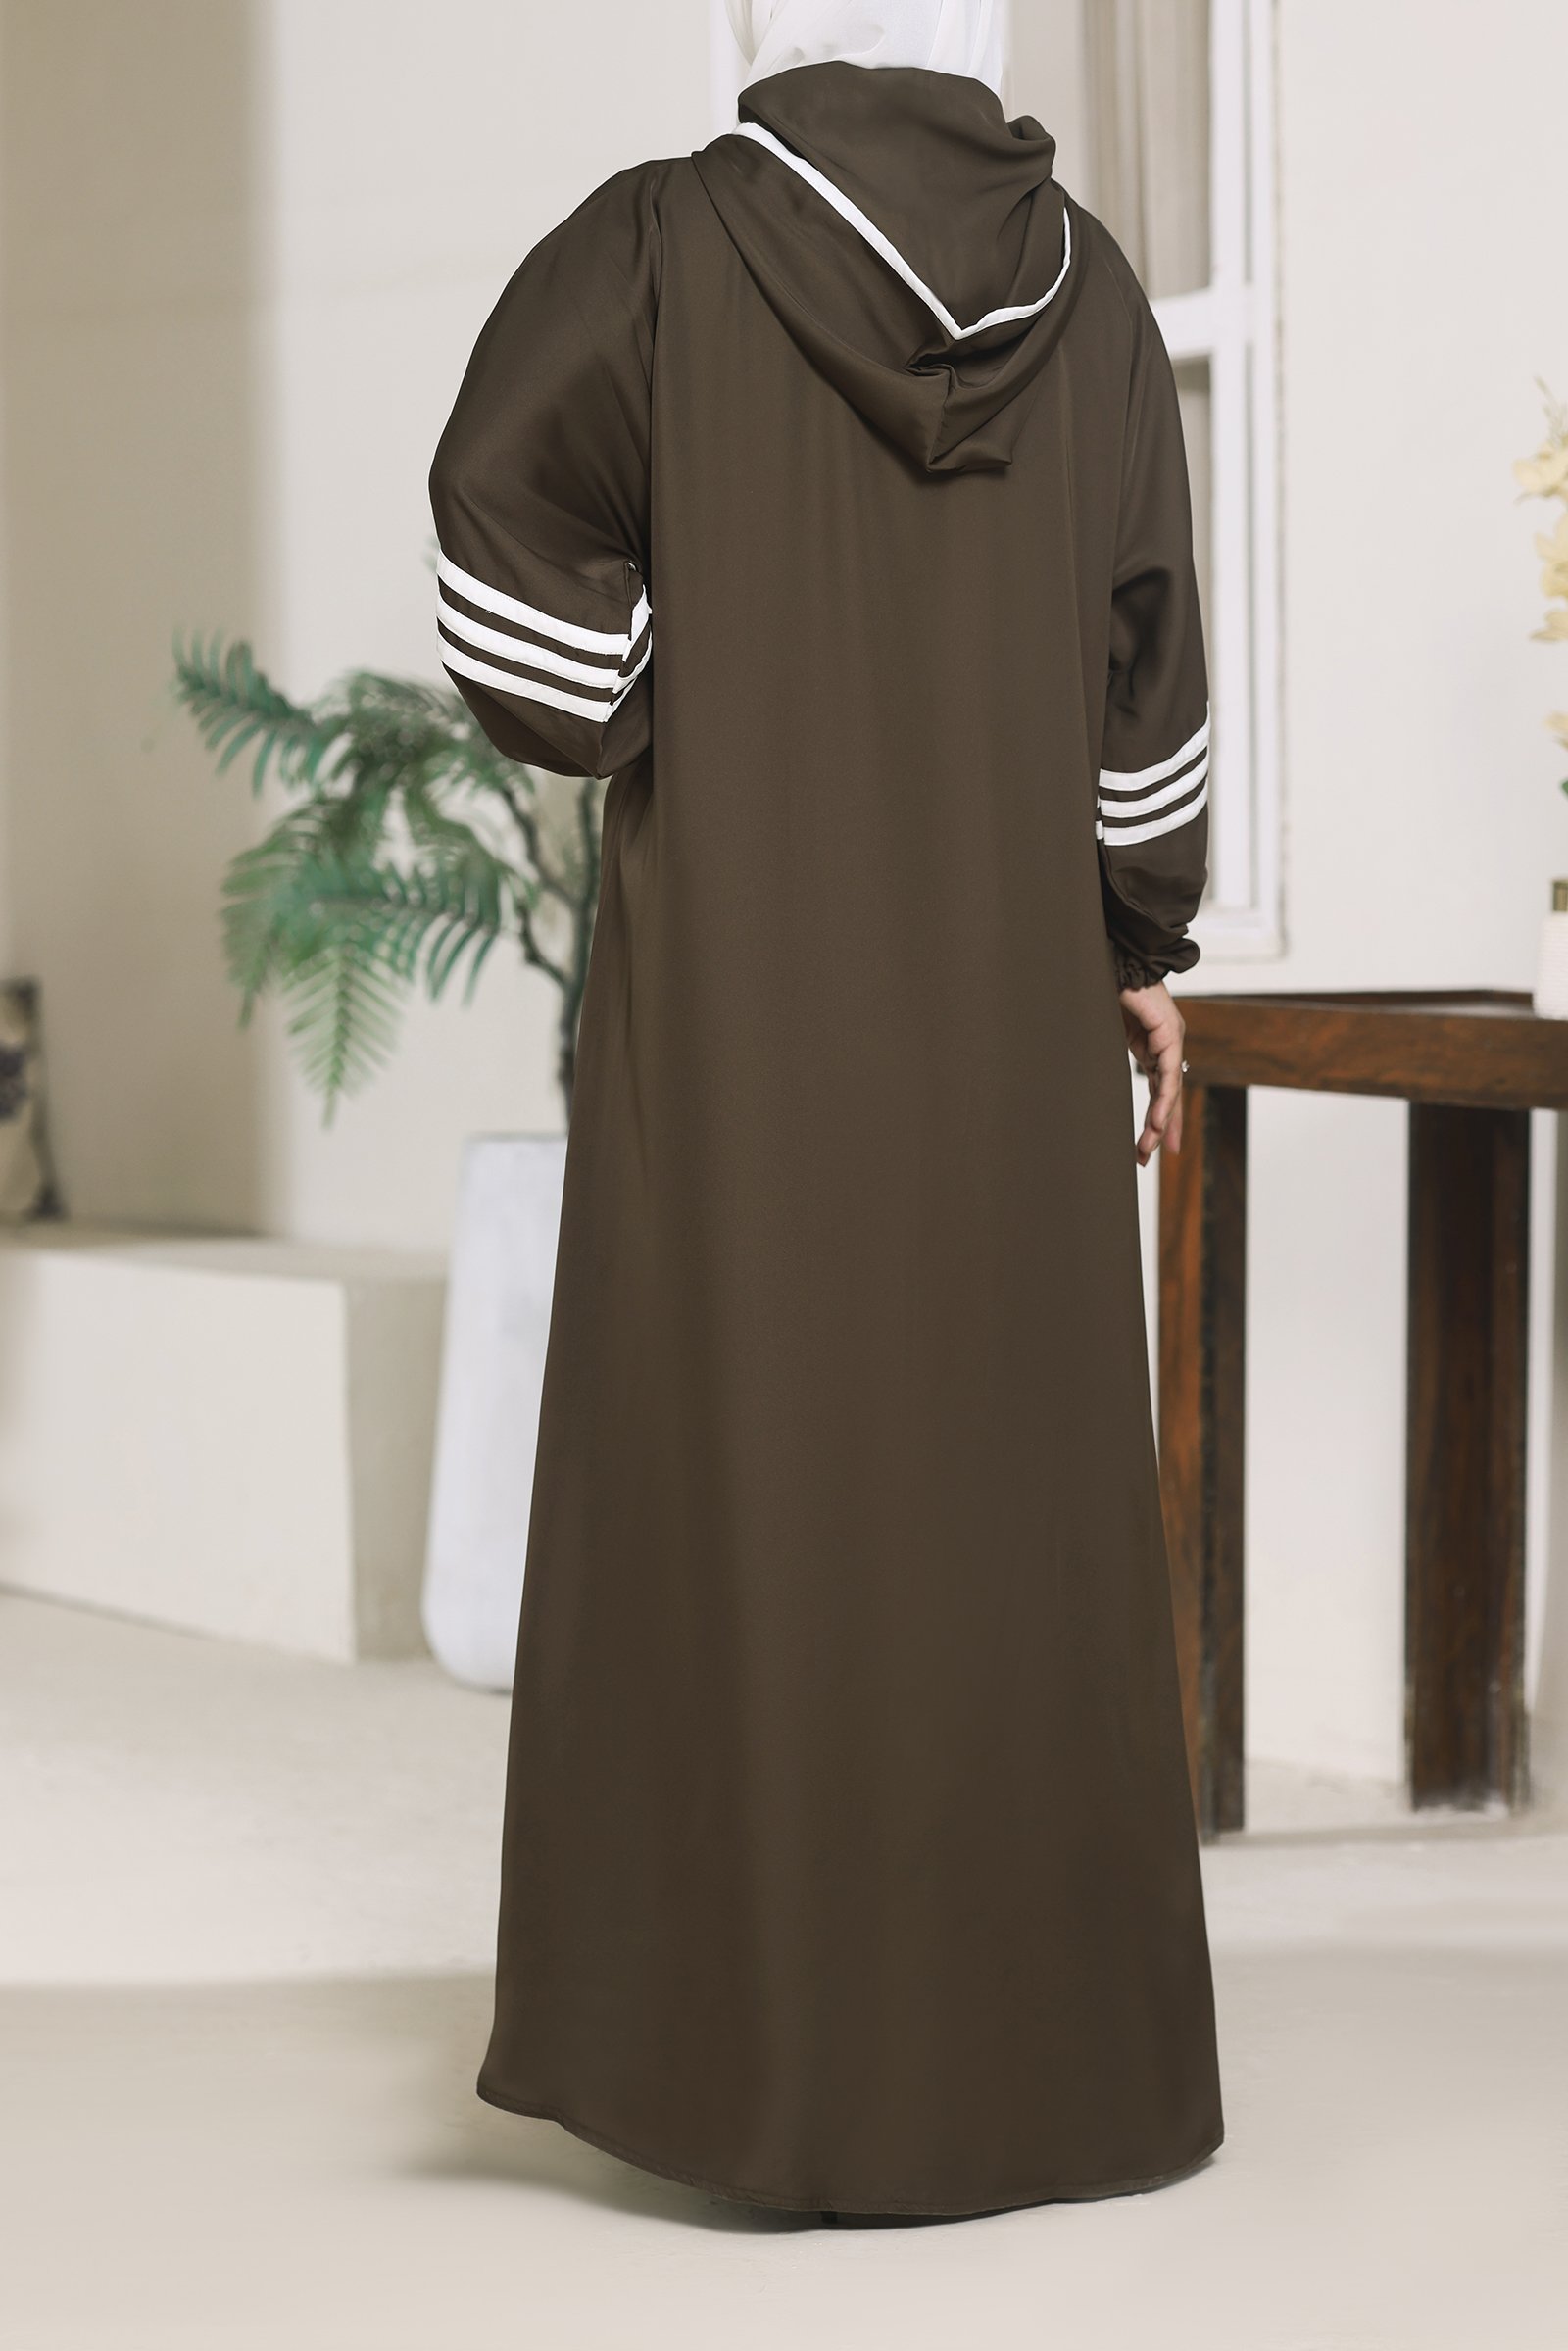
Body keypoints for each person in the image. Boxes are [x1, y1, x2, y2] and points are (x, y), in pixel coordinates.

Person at [429, 0, 1222, 2220]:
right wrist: (1135, 938)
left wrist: (648, 684)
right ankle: (1039, 2078)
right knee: (996, 1495)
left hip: (734, 1006)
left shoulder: (653, 255)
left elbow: (498, 531)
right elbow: (1145, 662)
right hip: (1003, 1015)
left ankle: (754, 2073)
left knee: (745, 1478)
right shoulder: (1092, 301)